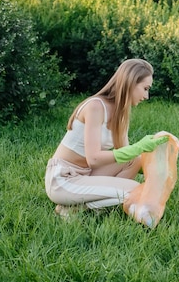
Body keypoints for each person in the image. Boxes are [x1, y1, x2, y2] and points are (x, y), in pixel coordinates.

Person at [45, 59, 167, 218]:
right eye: (145, 88)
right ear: (130, 83)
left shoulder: (121, 114)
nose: (146, 96)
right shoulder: (96, 106)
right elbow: (93, 159)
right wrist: (139, 147)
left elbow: (127, 157)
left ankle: (83, 203)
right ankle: (73, 208)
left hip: (86, 175)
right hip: (63, 180)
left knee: (134, 160)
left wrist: (157, 167)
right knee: (135, 189)